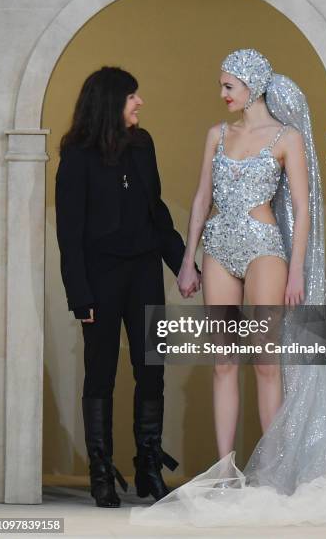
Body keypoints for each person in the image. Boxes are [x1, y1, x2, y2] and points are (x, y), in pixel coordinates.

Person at [130, 50, 326, 526]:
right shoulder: (217, 134)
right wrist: (187, 259)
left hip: (265, 249)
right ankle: (227, 472)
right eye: (222, 85)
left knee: (266, 362)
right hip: (218, 249)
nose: (222, 94)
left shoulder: (287, 137)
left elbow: (303, 206)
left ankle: (272, 472)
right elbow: (200, 199)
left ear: (252, 85)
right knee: (224, 361)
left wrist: (296, 271)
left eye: (228, 85)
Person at [55, 66, 200, 508]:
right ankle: (101, 473)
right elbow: (69, 231)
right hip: (98, 279)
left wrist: (183, 266)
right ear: (111, 102)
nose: (140, 103)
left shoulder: (142, 145)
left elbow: (155, 213)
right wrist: (79, 296)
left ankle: (148, 469)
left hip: (142, 273)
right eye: (133, 97)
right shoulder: (76, 154)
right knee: (100, 375)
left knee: (151, 370)